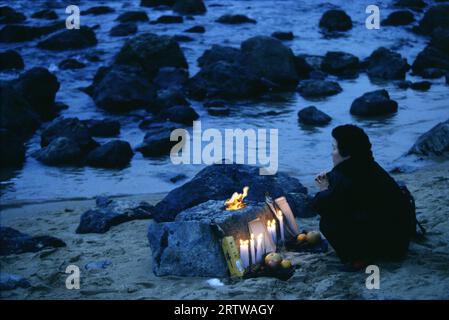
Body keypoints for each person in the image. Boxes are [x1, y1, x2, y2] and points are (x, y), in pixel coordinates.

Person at [312, 124, 411, 270]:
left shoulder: (344, 175)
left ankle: (358, 258)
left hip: (384, 247)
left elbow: (319, 206)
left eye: (334, 148)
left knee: (328, 221)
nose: (331, 153)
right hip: (399, 243)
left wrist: (324, 189)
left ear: (347, 153)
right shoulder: (371, 165)